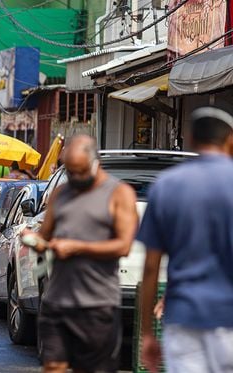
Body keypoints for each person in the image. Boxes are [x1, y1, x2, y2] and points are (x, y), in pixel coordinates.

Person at [20, 135, 138, 373]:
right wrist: (32, 239)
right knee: (53, 366)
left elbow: (123, 246)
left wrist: (77, 247)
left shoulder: (119, 194)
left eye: (80, 172)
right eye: (70, 173)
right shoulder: (60, 193)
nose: (75, 179)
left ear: (96, 163)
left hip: (97, 304)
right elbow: (45, 236)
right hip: (57, 300)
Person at [138, 107, 233, 373]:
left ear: (191, 139)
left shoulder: (166, 185)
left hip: (184, 318)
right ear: (230, 140)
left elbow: (150, 266)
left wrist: (147, 332)